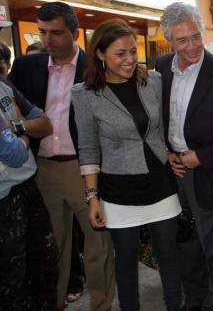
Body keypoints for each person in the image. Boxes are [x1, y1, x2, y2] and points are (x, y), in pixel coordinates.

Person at [8, 1, 116, 311]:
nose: (47, 40)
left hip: (86, 171)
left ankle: (100, 306)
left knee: (98, 247)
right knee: (51, 247)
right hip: (42, 169)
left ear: (76, 33)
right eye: (42, 32)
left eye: (56, 32)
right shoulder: (26, 67)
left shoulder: (97, 69)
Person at [71, 19, 182, 311]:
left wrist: (171, 151)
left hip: (160, 181)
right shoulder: (85, 95)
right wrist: (92, 197)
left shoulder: (153, 81)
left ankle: (175, 306)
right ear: (100, 54)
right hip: (119, 188)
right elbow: (88, 149)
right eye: (120, 53)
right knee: (125, 261)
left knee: (169, 255)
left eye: (133, 51)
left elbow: (163, 127)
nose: (130, 59)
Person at [156, 2, 213, 311]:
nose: (191, 46)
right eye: (182, 40)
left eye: (196, 36)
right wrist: (166, 151)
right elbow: (159, 116)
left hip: (207, 174)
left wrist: (201, 156)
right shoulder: (162, 66)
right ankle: (195, 299)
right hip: (172, 171)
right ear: (169, 41)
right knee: (185, 243)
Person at [0, 78, 56, 310]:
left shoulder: (4, 85)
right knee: (11, 282)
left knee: (44, 268)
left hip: (27, 187)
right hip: (4, 199)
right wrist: (23, 130)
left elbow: (44, 123)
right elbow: (13, 154)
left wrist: (15, 126)